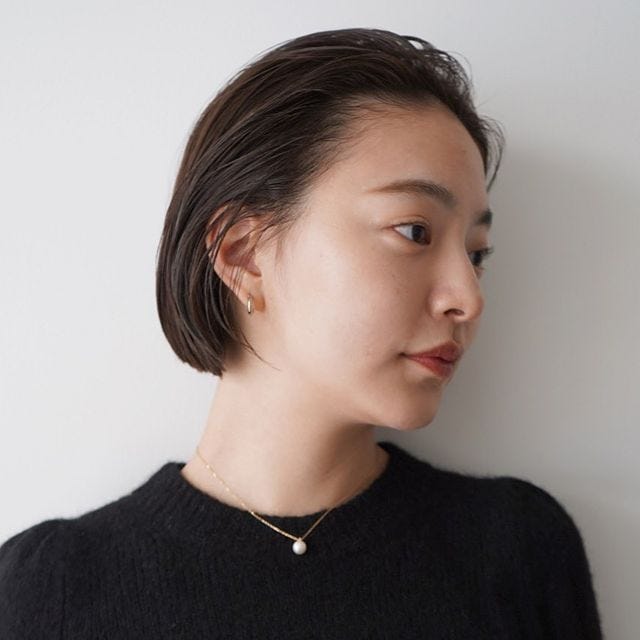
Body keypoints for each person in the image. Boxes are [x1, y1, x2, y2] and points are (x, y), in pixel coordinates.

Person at [0, 27, 603, 638]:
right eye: (415, 231)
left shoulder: (514, 552)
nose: (469, 299)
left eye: (477, 254)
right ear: (244, 254)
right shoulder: (52, 591)